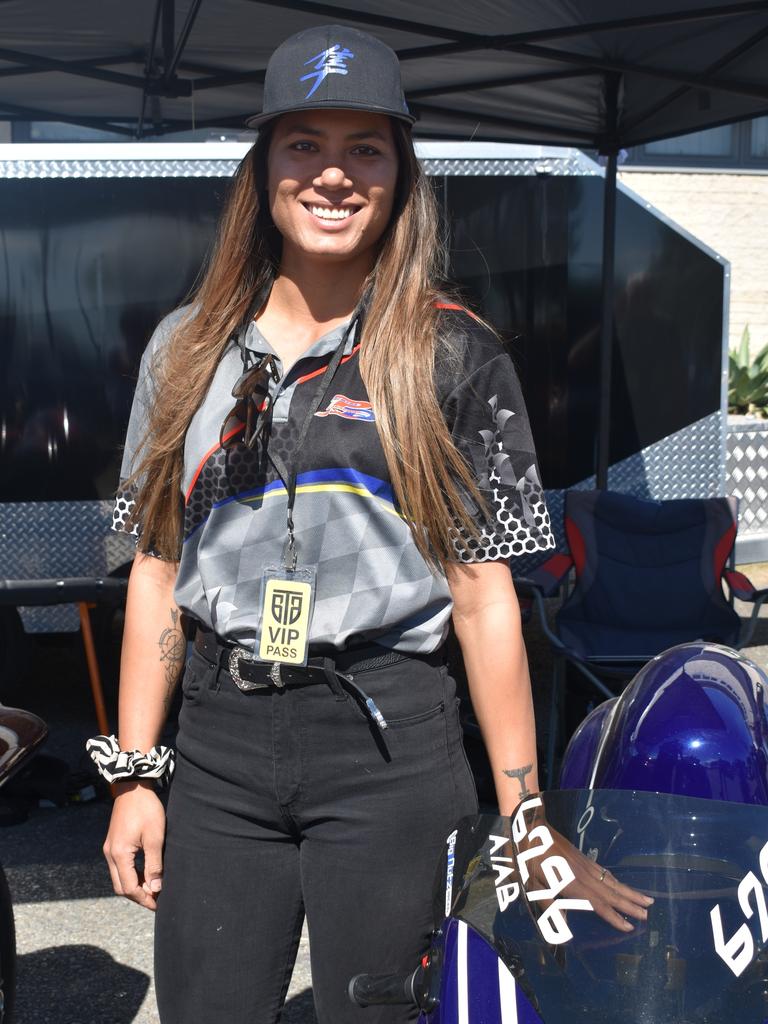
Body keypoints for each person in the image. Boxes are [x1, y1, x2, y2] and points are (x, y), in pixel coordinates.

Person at [87, 24, 652, 1024]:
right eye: (304, 143)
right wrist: (137, 775)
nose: (333, 174)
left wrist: (523, 821)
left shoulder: (453, 355)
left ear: (400, 173)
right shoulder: (184, 351)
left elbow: (485, 606)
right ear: (264, 168)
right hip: (219, 746)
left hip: (389, 750)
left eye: (364, 148)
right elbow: (155, 572)